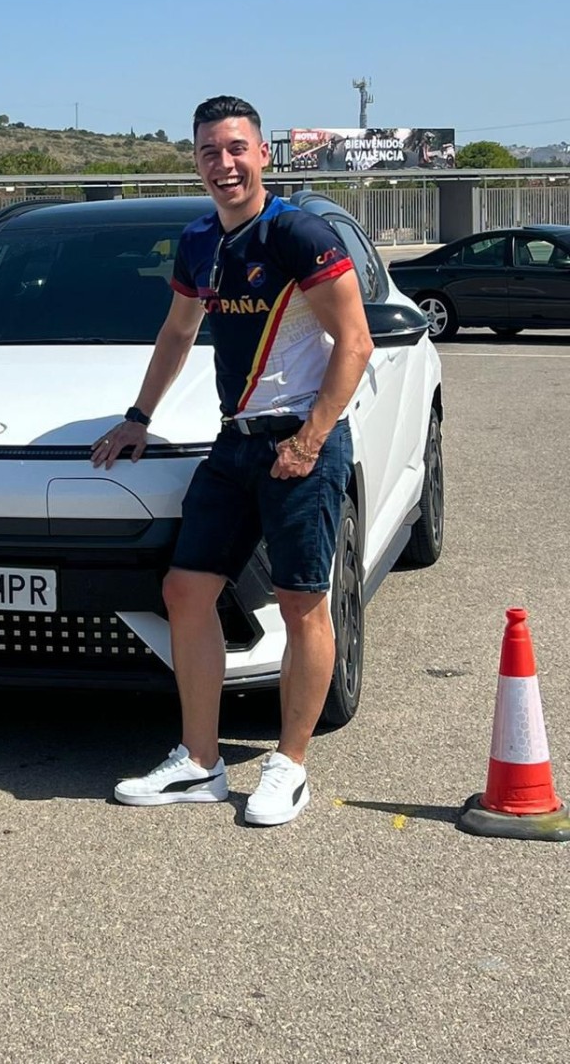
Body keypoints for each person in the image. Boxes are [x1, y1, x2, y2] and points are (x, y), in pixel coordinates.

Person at [93, 96, 372, 825]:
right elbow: (179, 332)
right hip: (237, 439)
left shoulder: (297, 234)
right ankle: (200, 760)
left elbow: (356, 341)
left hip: (300, 439)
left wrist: (310, 438)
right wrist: (138, 418)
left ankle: (290, 763)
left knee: (300, 600)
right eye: (211, 151)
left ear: (263, 155)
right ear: (196, 161)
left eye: (237, 148)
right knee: (187, 591)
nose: (225, 163)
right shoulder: (196, 242)